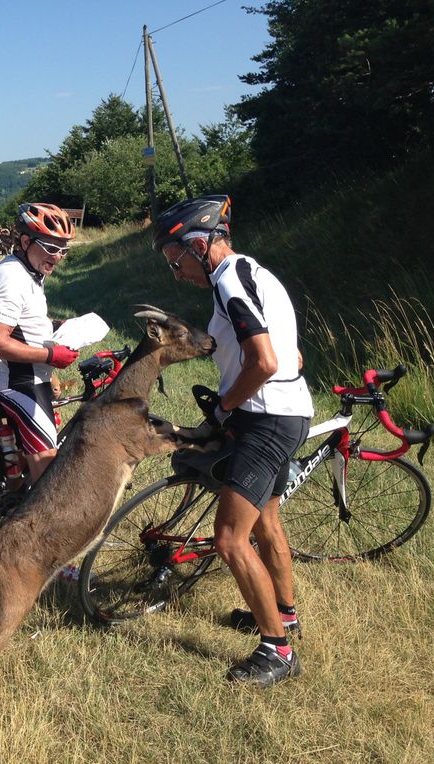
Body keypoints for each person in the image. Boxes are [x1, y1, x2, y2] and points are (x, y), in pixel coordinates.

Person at [152, 195, 313, 687]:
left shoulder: (228, 283)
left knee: (229, 538)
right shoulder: (256, 274)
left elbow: (264, 362)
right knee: (266, 522)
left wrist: (224, 408)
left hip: (265, 422)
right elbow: (295, 359)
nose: (177, 273)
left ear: (198, 245)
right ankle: (285, 617)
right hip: (285, 413)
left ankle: (277, 651)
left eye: (175, 260)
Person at [0, 203, 80, 484]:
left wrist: (59, 332)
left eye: (64, 250)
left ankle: (15, 494)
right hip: (19, 383)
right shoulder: (12, 277)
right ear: (25, 241)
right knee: (49, 480)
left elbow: (24, 325)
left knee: (31, 471)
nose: (58, 257)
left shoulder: (32, 272)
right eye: (51, 247)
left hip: (34, 378)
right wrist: (51, 356)